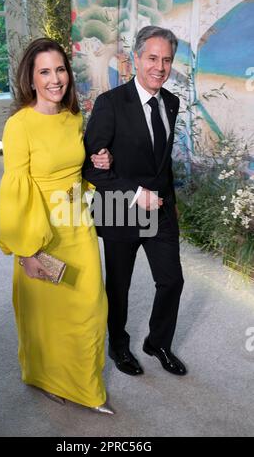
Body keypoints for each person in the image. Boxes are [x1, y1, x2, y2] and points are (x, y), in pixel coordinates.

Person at [0, 37, 115, 414]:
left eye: (60, 69)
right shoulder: (19, 126)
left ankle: (84, 384)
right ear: (30, 79)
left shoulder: (74, 118)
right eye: (44, 71)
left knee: (90, 309)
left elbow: (77, 173)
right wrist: (26, 251)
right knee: (48, 318)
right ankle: (48, 377)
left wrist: (97, 165)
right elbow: (16, 192)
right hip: (40, 231)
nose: (55, 78)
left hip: (77, 225)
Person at [83, 26, 187, 377]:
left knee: (172, 280)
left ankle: (158, 342)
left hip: (160, 209)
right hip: (119, 209)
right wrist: (134, 193)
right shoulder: (110, 104)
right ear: (136, 59)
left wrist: (168, 201)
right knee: (119, 287)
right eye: (153, 58)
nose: (160, 67)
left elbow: (163, 161)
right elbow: (90, 168)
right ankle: (119, 344)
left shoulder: (171, 102)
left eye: (167, 60)